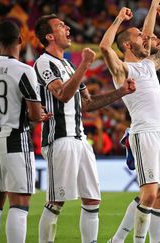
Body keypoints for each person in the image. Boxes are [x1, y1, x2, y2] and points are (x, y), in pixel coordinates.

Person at [34, 14, 136, 243]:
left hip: (80, 139)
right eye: (61, 26)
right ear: (49, 36)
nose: (67, 27)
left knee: (92, 200)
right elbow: (61, 94)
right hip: (59, 139)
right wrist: (85, 64)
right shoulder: (44, 62)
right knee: (56, 201)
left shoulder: (69, 65)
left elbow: (87, 104)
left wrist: (121, 92)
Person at [99, 4, 160, 242]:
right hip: (144, 133)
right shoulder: (123, 70)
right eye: (140, 36)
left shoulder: (149, 64)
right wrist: (118, 19)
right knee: (148, 195)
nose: (146, 37)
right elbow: (105, 46)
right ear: (127, 44)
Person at [0, 20, 43, 243]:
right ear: (20, 40)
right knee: (20, 203)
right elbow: (35, 115)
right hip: (14, 137)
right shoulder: (24, 70)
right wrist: (40, 114)